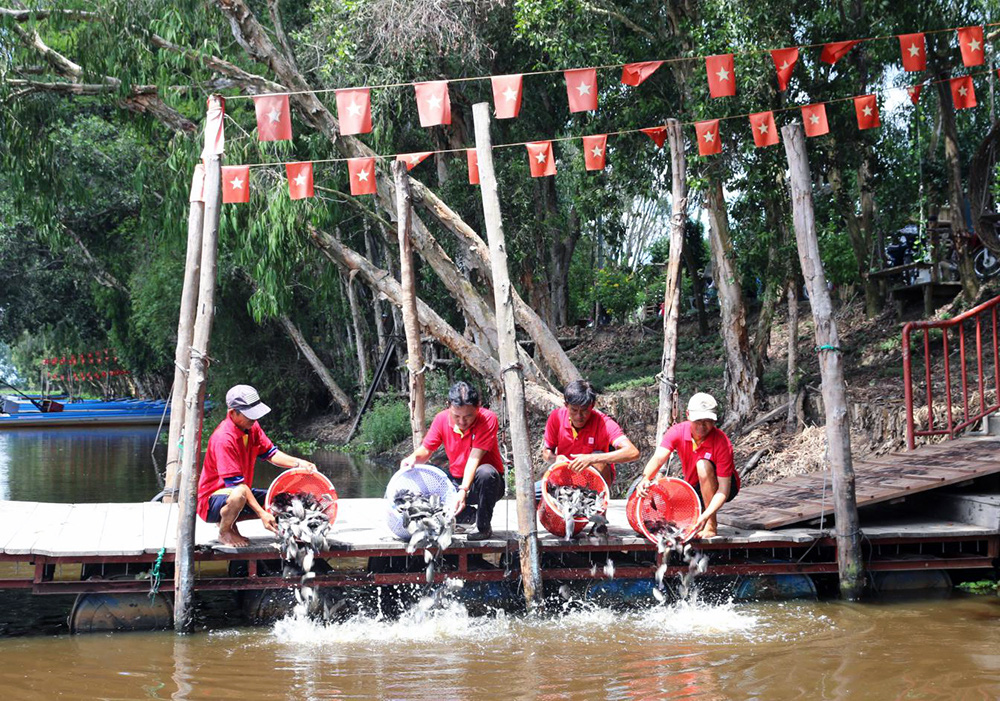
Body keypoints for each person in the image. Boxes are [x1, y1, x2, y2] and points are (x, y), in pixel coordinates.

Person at [197, 385, 318, 547]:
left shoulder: (252, 427)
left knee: (282, 500)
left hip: (239, 491)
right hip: (212, 501)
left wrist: (299, 463)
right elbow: (236, 485)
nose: (254, 419)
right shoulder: (223, 438)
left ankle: (229, 523)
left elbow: (271, 454)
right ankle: (224, 531)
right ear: (233, 413)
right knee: (239, 493)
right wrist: (262, 514)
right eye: (249, 415)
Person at [400, 381, 504, 541]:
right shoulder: (441, 419)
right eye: (457, 416)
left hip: (486, 485)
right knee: (427, 485)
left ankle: (483, 527)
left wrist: (463, 490)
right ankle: (467, 515)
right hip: (455, 481)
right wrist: (413, 458)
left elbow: (474, 457)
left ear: (478, 407)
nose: (462, 422)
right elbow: (427, 450)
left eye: (468, 416)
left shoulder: (488, 419)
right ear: (448, 406)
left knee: (486, 473)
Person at [637, 392, 740, 539]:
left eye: (708, 421)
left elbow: (723, 489)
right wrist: (645, 478)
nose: (702, 426)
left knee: (703, 465)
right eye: (698, 420)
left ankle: (712, 525)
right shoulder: (677, 431)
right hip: (694, 485)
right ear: (688, 416)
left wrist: (706, 517)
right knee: (675, 518)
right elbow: (659, 457)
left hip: (725, 486)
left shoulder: (722, 442)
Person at [541, 379, 639, 486]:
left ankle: (598, 497)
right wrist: (555, 459)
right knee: (532, 493)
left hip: (594, 482)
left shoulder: (604, 423)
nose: (579, 416)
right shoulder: (556, 417)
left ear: (592, 406)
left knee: (598, 459)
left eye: (584, 411)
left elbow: (632, 452)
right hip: (564, 478)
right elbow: (546, 452)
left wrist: (591, 459)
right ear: (566, 405)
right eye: (574, 410)